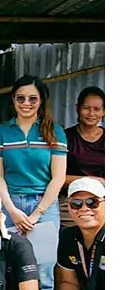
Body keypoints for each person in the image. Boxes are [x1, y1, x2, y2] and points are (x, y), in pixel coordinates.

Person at [0, 75, 67, 290]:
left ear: (42, 100)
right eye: (21, 98)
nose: (26, 103)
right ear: (13, 99)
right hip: (10, 203)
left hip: (44, 205)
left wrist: (37, 213)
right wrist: (12, 210)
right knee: (7, 264)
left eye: (33, 98)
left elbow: (58, 177)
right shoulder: (2, 132)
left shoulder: (55, 131)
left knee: (43, 268)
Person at [59, 87, 104, 228]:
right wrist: (91, 181)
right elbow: (55, 176)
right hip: (71, 203)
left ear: (104, 111)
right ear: (77, 108)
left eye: (97, 109)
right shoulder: (64, 137)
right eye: (86, 108)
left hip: (103, 201)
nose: (91, 114)